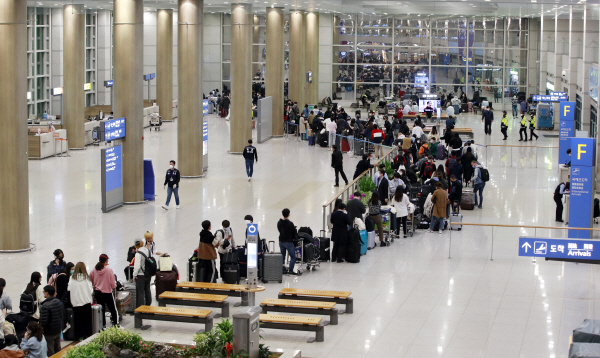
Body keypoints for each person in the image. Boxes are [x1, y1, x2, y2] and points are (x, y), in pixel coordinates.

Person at [89, 254, 118, 328]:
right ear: (106, 260)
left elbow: (90, 279)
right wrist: (114, 286)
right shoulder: (109, 270)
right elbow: (112, 283)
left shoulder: (94, 269)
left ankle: (103, 325)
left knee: (101, 309)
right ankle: (115, 324)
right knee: (112, 309)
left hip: (98, 292)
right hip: (107, 292)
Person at [67, 262, 93, 340]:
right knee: (87, 320)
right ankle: (88, 335)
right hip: (86, 302)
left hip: (76, 303)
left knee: (78, 320)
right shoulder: (86, 278)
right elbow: (91, 290)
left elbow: (69, 289)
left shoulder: (72, 278)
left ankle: (79, 336)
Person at [38, 286, 63, 356]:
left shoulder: (45, 306)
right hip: (58, 330)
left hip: (49, 332)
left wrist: (42, 331)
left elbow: (44, 322)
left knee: (50, 351)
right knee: (58, 349)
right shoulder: (59, 302)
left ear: (46, 293)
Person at [277, 209, 301, 275]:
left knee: (282, 256)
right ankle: (290, 270)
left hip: (281, 241)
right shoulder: (290, 224)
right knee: (293, 257)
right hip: (289, 242)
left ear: (282, 214)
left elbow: (279, 230)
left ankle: (283, 270)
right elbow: (294, 232)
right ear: (289, 214)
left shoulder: (279, 222)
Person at [133, 238, 152, 308]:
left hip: (140, 276)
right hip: (148, 274)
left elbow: (137, 266)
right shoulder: (148, 250)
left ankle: (140, 308)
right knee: (147, 290)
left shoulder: (138, 254)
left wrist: (134, 276)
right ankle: (148, 306)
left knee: (140, 292)